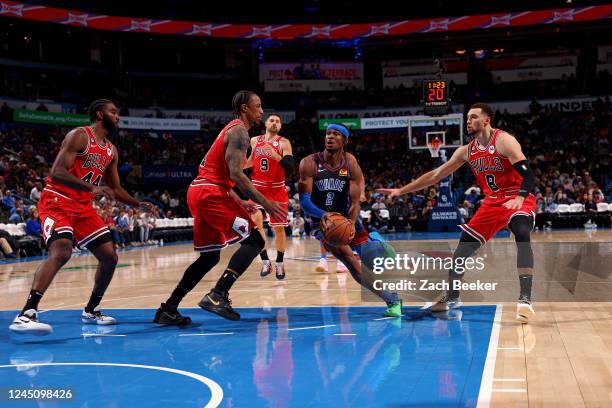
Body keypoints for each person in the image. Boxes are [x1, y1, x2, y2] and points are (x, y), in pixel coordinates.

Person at [377, 103, 536, 323]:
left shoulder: (503, 141)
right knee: (461, 251)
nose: (468, 121)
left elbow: (529, 176)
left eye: (473, 117)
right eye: (468, 118)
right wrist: (401, 190)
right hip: (492, 202)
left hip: (517, 197)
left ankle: (525, 299)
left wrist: (519, 198)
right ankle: (452, 296)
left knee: (521, 232)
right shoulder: (466, 151)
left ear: (486, 120)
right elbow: (435, 175)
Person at [9, 99, 153, 335]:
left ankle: (91, 309)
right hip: (57, 201)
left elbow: (115, 189)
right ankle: (27, 313)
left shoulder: (111, 150)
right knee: (63, 250)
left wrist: (138, 204)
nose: (118, 117)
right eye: (113, 112)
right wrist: (91, 188)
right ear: (99, 114)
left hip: (83, 208)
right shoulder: (79, 136)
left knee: (110, 257)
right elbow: (57, 172)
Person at [154, 90, 284, 325]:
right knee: (255, 241)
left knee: (209, 258)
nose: (262, 111)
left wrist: (239, 200)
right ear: (245, 108)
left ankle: (168, 308)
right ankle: (218, 294)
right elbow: (235, 173)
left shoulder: (231, 129)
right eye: (258, 106)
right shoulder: (240, 132)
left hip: (202, 191)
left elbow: (223, 175)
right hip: (210, 194)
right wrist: (266, 202)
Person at [299, 123, 402, 317]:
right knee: (351, 262)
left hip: (346, 218)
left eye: (336, 134)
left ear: (345, 140)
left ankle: (376, 241)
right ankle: (391, 300)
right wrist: (324, 215)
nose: (330, 137)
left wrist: (350, 223)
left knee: (373, 262)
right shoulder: (309, 162)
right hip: (321, 222)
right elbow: (304, 200)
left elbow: (355, 202)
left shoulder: (350, 163)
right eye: (328, 133)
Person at [245, 113, 294, 279]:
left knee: (279, 228)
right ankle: (265, 261)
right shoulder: (254, 140)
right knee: (254, 223)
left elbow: (290, 167)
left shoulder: (284, 143)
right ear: (266, 123)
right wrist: (238, 165)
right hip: (258, 188)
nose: (274, 123)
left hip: (277, 189)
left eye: (278, 121)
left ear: (280, 126)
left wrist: (275, 155)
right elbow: (252, 160)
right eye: (272, 120)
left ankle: (279, 263)